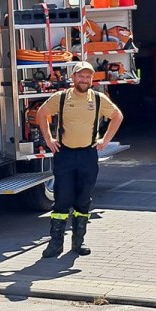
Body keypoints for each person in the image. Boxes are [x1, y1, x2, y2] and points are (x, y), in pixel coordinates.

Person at [35, 61, 124, 257]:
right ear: (73, 78)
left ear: (92, 80)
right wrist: (49, 139)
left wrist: (105, 140)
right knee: (62, 200)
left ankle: (78, 243)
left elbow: (117, 116)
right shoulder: (61, 98)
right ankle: (55, 244)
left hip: (87, 155)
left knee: (83, 200)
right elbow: (41, 114)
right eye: (81, 76)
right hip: (65, 155)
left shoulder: (98, 99)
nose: (84, 80)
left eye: (88, 77)